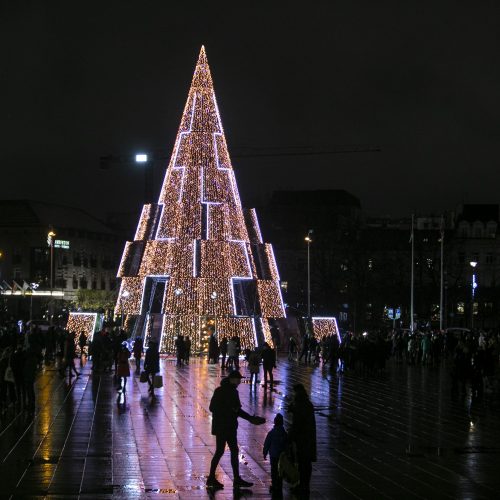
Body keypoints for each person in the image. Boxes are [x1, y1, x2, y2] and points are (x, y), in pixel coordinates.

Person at [206, 370, 266, 490]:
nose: (239, 381)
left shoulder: (229, 391)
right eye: (238, 379)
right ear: (232, 379)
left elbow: (236, 410)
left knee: (232, 451)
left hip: (228, 427)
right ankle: (214, 478)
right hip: (224, 427)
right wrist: (230, 411)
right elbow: (214, 408)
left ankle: (234, 479)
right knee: (221, 451)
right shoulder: (225, 391)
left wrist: (250, 418)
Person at [287, 383, 316, 496]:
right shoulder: (307, 403)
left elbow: (298, 423)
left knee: (303, 464)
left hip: (303, 439)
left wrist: (290, 437)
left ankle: (303, 486)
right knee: (305, 463)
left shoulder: (300, 404)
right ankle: (304, 485)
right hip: (308, 438)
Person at [263, 413, 288, 498]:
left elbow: (267, 443)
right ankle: (279, 484)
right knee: (280, 471)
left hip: (273, 455)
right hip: (281, 456)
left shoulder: (271, 433)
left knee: (273, 470)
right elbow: (286, 444)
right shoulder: (284, 433)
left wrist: (265, 452)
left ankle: (274, 484)